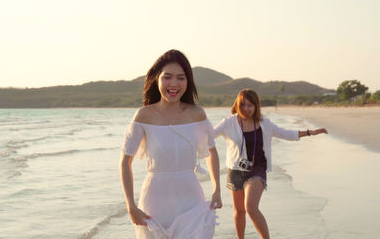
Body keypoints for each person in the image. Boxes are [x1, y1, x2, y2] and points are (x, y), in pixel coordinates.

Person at [120, 49, 222, 239]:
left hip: (190, 198)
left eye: (180, 78)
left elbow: (212, 151)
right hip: (154, 199)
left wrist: (217, 189)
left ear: (187, 81)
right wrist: (131, 205)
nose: (174, 84)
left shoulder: (197, 114)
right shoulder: (143, 116)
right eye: (167, 77)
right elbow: (125, 162)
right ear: (156, 79)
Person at [214, 89, 328, 239]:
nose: (246, 109)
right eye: (243, 105)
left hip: (257, 169)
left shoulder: (263, 123)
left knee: (251, 208)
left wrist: (309, 132)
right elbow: (209, 135)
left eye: (250, 105)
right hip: (235, 170)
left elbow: (285, 133)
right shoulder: (229, 122)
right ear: (237, 105)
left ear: (256, 106)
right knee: (239, 211)